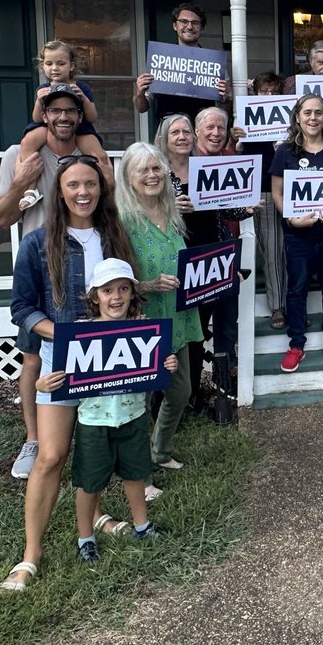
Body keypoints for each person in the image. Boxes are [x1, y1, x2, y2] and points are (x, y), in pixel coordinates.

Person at [0, 155, 137, 592]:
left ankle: (94, 518)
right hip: (62, 362)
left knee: (100, 443)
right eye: (73, 184)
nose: (83, 192)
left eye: (91, 185)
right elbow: (21, 307)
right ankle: (30, 557)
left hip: (109, 360)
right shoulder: (38, 242)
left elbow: (128, 295)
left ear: (101, 189)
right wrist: (58, 334)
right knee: (51, 455)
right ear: (60, 191)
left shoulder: (115, 237)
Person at [0, 84, 112, 481]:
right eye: (55, 110)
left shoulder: (87, 156)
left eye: (70, 111)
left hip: (87, 256)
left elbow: (107, 202)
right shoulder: (20, 154)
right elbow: (0, 216)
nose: (63, 117)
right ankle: (34, 438)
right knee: (34, 358)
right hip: (41, 262)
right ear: (43, 115)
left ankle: (92, 439)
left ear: (79, 116)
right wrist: (21, 180)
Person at [37, 259, 175, 563]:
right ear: (94, 296)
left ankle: (142, 525)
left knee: (136, 474)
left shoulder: (143, 329)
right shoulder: (80, 333)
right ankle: (85, 537)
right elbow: (54, 374)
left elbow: (159, 365)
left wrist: (168, 363)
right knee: (89, 482)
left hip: (134, 416)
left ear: (132, 294)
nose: (116, 297)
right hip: (94, 420)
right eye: (108, 290)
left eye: (124, 289)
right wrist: (43, 384)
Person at [115, 143, 202, 492]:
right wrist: (146, 285)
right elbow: (114, 279)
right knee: (142, 401)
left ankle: (160, 450)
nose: (152, 176)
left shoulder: (172, 211)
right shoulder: (121, 220)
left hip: (177, 316)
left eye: (157, 169)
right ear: (128, 177)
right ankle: (140, 476)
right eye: (143, 170)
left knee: (181, 390)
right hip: (144, 318)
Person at [271, 94, 323, 372]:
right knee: (297, 289)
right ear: (297, 117)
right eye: (307, 113)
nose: (313, 118)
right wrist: (293, 220)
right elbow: (277, 193)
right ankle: (296, 344)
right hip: (298, 235)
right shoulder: (285, 151)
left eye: (318, 113)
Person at [183, 107, 251, 413]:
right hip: (195, 253)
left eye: (220, 128)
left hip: (226, 247)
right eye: (209, 127)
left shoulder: (230, 159)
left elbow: (232, 207)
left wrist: (247, 209)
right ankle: (190, 391)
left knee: (227, 318)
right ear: (197, 131)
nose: (215, 132)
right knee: (195, 325)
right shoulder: (186, 163)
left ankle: (224, 384)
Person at [17, 42, 110, 207]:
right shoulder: (43, 88)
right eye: (49, 63)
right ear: (42, 66)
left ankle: (105, 189)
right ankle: (31, 190)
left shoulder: (81, 87)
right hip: (48, 127)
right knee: (27, 142)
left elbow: (92, 116)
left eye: (61, 63)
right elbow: (37, 118)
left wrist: (84, 99)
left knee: (100, 156)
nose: (54, 68)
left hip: (81, 128)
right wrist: (39, 101)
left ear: (71, 66)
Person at [238, 71, 288, 330]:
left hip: (278, 188)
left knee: (275, 248)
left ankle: (279, 302)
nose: (268, 96)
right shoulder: (245, 119)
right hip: (251, 189)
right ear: (254, 93)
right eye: (263, 91)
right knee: (259, 248)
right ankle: (267, 304)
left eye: (273, 92)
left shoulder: (287, 122)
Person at [133, 2, 232, 129]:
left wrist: (226, 99)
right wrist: (139, 93)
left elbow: (225, 112)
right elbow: (142, 108)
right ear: (175, 25)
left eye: (195, 23)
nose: (189, 27)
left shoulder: (214, 64)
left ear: (202, 29)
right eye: (184, 21)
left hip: (201, 134)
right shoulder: (161, 59)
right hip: (169, 133)